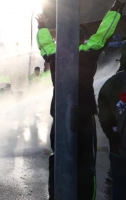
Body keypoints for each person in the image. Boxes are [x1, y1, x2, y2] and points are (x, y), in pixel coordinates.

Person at [36, 1, 124, 199]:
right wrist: (116, 8)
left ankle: (56, 194)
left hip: (59, 115)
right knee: (86, 163)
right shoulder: (87, 53)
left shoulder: (54, 55)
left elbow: (44, 43)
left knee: (57, 158)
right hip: (84, 116)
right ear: (82, 40)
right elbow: (104, 32)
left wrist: (41, 26)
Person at [98, 44, 126, 200]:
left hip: (119, 149)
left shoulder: (112, 83)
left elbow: (104, 116)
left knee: (120, 187)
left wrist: (113, 137)